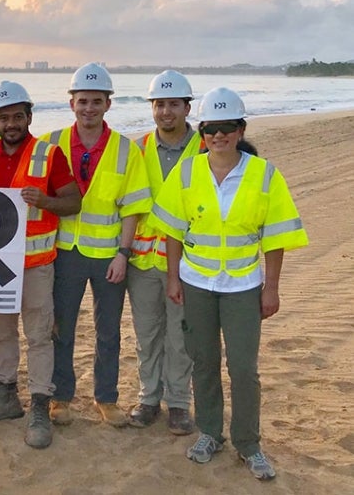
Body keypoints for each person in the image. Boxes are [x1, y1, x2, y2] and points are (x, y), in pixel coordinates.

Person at [149, 87, 308, 481]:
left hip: (242, 286)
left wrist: (271, 288)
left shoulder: (264, 175)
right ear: (202, 132)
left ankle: (248, 444)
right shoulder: (187, 172)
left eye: (228, 127)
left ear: (240, 130)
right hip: (196, 282)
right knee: (202, 362)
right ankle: (209, 433)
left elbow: (275, 238)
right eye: (211, 128)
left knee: (242, 368)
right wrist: (173, 277)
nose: (219, 136)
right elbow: (171, 231)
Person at [0, 81, 82, 449]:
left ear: (29, 117)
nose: (11, 123)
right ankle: (4, 396)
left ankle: (38, 405)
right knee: (2, 335)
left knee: (38, 337)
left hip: (35, 265)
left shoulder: (49, 154)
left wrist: (46, 200)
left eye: (18, 116)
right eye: (4, 117)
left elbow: (73, 202)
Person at [41, 62, 152, 428]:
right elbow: (14, 162)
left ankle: (107, 398)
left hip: (108, 256)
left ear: (108, 104)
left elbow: (132, 208)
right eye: (83, 100)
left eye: (96, 101)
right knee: (62, 327)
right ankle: (60, 397)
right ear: (71, 102)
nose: (89, 108)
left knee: (108, 331)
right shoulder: (50, 143)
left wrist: (123, 253)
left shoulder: (125, 149)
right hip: (65, 253)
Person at [125, 70, 201, 434]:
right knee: (147, 333)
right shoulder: (137, 148)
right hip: (143, 260)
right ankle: (148, 398)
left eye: (173, 104)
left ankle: (179, 404)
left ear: (188, 107)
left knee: (181, 334)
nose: (166, 111)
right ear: (151, 108)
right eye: (159, 105)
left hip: (188, 262)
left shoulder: (205, 147)